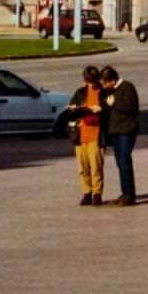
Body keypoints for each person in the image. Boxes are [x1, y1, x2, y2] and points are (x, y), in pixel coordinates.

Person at [100, 65, 140, 206]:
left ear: (112, 80)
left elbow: (131, 107)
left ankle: (129, 195)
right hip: (115, 131)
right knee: (119, 163)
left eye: (105, 82)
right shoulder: (109, 91)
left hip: (126, 131)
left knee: (124, 161)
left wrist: (114, 103)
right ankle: (125, 193)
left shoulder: (127, 87)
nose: (104, 86)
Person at [67, 65, 106, 205]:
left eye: (93, 81)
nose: (90, 84)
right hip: (81, 135)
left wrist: (101, 110)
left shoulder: (103, 92)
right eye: (88, 81)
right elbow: (70, 112)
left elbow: (109, 112)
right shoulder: (80, 92)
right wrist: (74, 109)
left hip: (96, 135)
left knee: (96, 166)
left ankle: (97, 193)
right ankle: (86, 192)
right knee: (82, 167)